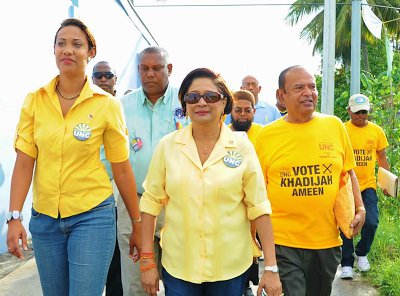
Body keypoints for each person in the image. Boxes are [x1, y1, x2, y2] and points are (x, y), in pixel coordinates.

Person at [6, 18, 141, 296]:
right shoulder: (35, 100)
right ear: (54, 50)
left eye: (76, 44)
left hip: (92, 216)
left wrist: (137, 223)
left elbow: (122, 168)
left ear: (90, 52)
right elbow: (24, 161)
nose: (67, 50)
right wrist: (14, 217)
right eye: (61, 44)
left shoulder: (107, 105)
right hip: (45, 220)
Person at [139, 68, 282, 296]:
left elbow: (259, 207)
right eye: (193, 97)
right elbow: (150, 204)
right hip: (179, 268)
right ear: (185, 104)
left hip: (230, 268)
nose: (201, 102)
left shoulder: (242, 147)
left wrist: (271, 268)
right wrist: (147, 260)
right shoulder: (168, 146)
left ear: (224, 102)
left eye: (211, 96)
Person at [255, 65, 366, 296]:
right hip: (284, 243)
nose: (308, 92)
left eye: (312, 86)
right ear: (281, 96)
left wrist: (361, 208)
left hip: (326, 242)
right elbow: (257, 193)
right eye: (298, 87)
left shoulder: (334, 126)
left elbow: (348, 172)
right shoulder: (266, 136)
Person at [114, 46, 187, 296]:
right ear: (138, 71)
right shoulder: (121, 107)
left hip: (178, 204)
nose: (150, 74)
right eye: (144, 69)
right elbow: (109, 157)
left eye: (157, 68)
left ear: (169, 69)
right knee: (136, 282)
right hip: (134, 203)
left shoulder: (187, 102)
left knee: (181, 278)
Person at [340, 93, 390, 280]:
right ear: (349, 111)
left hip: (367, 185)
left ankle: (361, 252)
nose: (360, 115)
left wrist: (387, 183)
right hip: (345, 185)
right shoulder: (342, 130)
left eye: (364, 112)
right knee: (347, 223)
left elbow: (382, 159)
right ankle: (346, 263)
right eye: (356, 112)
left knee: (371, 222)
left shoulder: (376, 131)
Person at [92, 61, 123, 296]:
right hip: (91, 194)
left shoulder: (122, 108)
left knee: (117, 258)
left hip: (119, 192)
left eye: (108, 75)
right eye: (98, 75)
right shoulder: (82, 108)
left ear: (115, 79)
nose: (103, 79)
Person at [229, 89, 263, 296]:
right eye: (238, 110)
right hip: (233, 200)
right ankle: (239, 285)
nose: (242, 114)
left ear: (254, 111)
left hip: (258, 199)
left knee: (254, 245)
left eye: (247, 110)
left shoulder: (264, 133)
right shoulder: (222, 134)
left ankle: (249, 283)